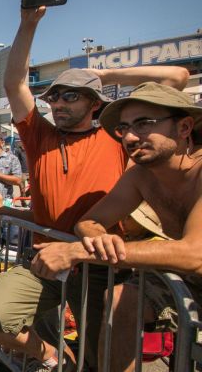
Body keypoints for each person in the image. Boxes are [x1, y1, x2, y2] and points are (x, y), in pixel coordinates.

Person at [0, 0, 190, 371]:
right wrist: (28, 23)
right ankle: (52, 356)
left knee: (99, 356)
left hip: (101, 266)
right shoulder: (39, 135)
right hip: (44, 254)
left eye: (70, 95)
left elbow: (175, 77)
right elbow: (13, 83)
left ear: (94, 103)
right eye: (54, 95)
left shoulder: (117, 133)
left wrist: (102, 76)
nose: (58, 102)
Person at [32, 83, 200, 371]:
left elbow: (195, 253)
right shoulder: (140, 176)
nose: (131, 137)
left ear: (184, 127)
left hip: (191, 269)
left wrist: (79, 252)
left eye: (144, 124)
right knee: (121, 297)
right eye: (124, 128)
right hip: (187, 283)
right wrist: (99, 240)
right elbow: (88, 221)